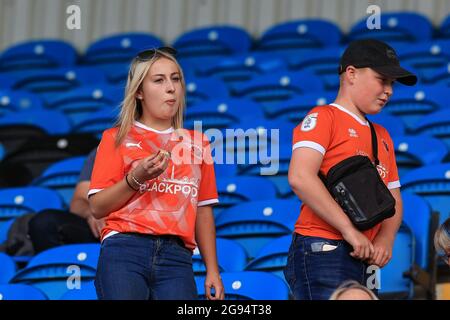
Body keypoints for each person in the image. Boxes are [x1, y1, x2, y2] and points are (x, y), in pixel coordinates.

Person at [284, 39, 417, 300]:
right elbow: (300, 177)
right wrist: (349, 231)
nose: (389, 90)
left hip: (364, 255)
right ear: (352, 74)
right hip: (324, 247)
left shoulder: (382, 135)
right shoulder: (324, 117)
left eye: (392, 84)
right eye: (382, 79)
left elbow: (394, 197)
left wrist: (386, 239)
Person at [88, 47, 224, 300]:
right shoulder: (116, 138)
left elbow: (203, 210)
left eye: (176, 78)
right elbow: (97, 207)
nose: (171, 87)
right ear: (139, 91)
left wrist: (212, 270)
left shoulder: (199, 142)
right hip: (124, 251)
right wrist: (136, 178)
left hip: (178, 258)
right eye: (159, 80)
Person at [28, 149, 104, 253]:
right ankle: (54, 265)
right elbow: (78, 202)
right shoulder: (103, 151)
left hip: (128, 227)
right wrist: (93, 213)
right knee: (44, 222)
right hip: (100, 227)